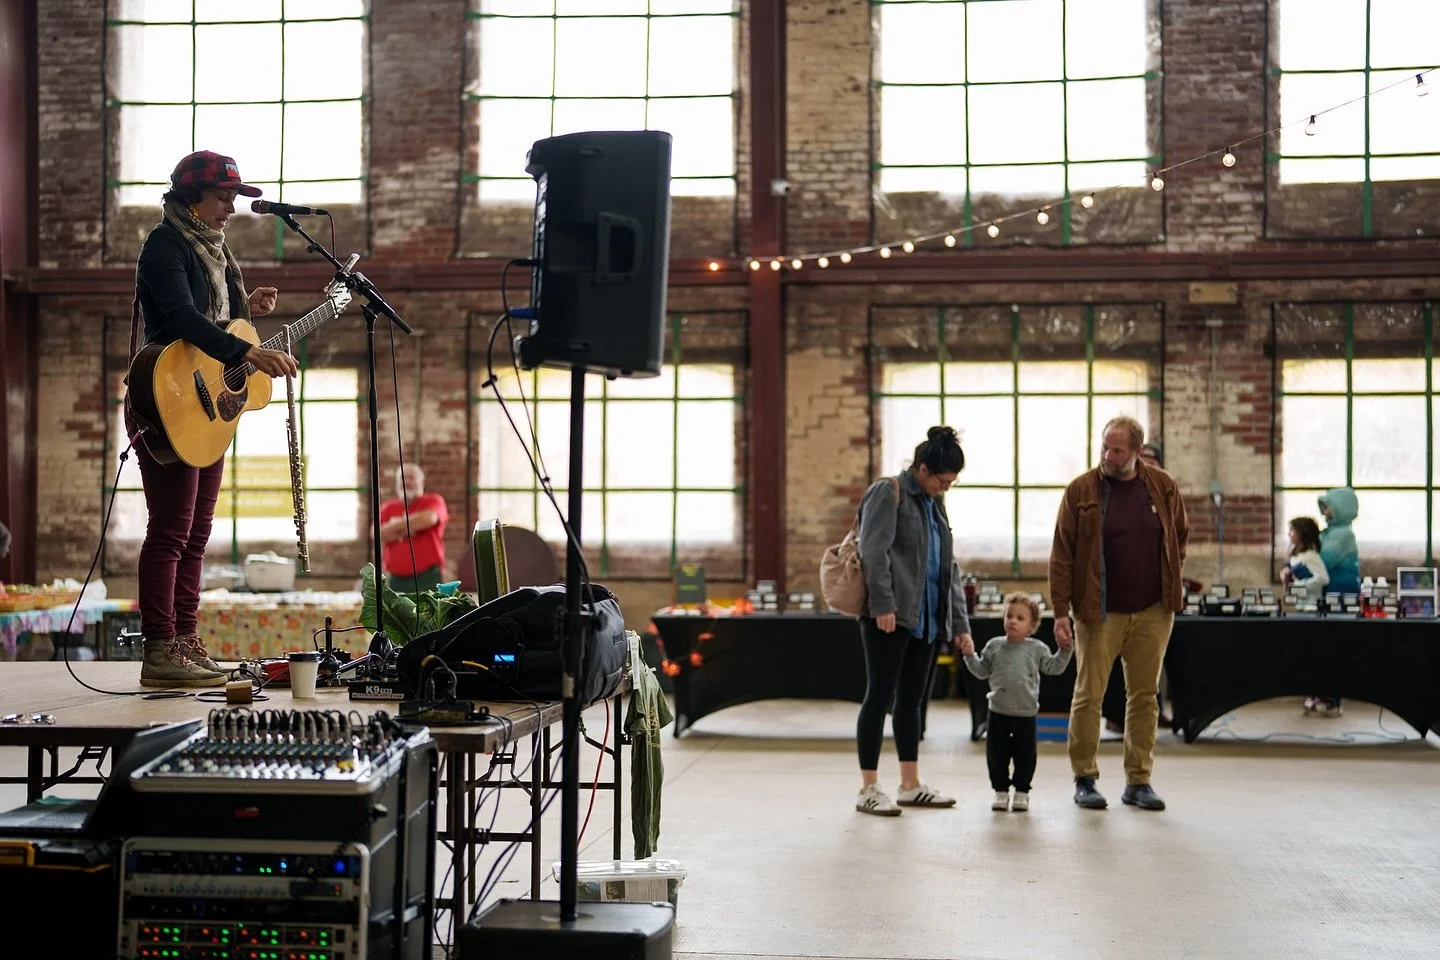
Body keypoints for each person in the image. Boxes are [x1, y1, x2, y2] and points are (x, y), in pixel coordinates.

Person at [127, 150, 297, 688]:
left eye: (233, 198)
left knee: (196, 533)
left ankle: (184, 639)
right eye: (223, 197)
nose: (230, 208)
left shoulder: (217, 253)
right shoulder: (165, 245)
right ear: (191, 197)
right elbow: (178, 317)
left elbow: (210, 322)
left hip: (203, 405)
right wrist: (245, 352)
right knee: (171, 530)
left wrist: (250, 315)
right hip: (167, 397)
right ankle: (159, 650)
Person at [1049, 415, 1188, 812]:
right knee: (1088, 695)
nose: (1108, 456)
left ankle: (1139, 780)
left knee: (1145, 697)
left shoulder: (1162, 486)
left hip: (1153, 611)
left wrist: (1167, 583)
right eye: (1105, 448)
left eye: (1117, 450)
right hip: (1097, 611)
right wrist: (1061, 611)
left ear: (1137, 451)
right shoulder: (1081, 491)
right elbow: (1062, 554)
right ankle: (1085, 778)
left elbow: (1179, 537)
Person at [853, 426, 974, 816]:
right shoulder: (888, 493)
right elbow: (873, 552)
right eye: (941, 480)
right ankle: (869, 787)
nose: (945, 488)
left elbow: (947, 567)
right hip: (889, 617)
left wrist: (960, 624)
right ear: (921, 468)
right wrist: (884, 603)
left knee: (911, 702)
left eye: (950, 483)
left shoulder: (935, 504)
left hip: (927, 620)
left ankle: (909, 784)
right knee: (879, 697)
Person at [959, 592, 1072, 812]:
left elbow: (1054, 667)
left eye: (1020, 618)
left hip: (1026, 714)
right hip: (998, 712)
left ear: (1032, 626)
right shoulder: (994, 646)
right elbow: (981, 671)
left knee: (1025, 755)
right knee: (996, 754)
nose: (1012, 621)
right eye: (1009, 615)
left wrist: (1065, 650)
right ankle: (1000, 791)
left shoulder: (1037, 649)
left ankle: (1022, 791)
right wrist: (969, 656)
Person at [1312, 488, 1360, 716]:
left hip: (1341, 595)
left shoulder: (1342, 536)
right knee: (1322, 645)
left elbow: (1323, 562)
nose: (1326, 512)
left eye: (1329, 507)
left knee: (1334, 645)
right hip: (1328, 593)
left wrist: (1299, 568)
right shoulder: (1328, 534)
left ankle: (1332, 697)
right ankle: (1322, 692)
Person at [379, 464, 449, 596]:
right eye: (402, 478)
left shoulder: (433, 501)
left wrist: (395, 526)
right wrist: (411, 527)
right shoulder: (388, 508)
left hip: (427, 577)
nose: (406, 482)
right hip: (396, 579)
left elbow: (429, 519)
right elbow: (377, 534)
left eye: (411, 477)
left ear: (421, 482)